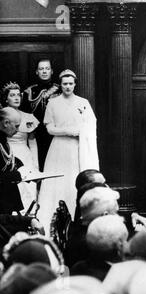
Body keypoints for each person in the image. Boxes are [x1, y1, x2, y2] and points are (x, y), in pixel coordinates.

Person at [37, 69, 99, 233]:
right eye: (65, 84)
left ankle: (75, 218)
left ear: (75, 84)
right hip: (59, 148)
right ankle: (53, 220)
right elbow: (49, 128)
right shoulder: (53, 103)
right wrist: (67, 131)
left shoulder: (83, 102)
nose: (68, 87)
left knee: (73, 179)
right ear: (60, 85)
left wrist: (81, 132)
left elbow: (91, 124)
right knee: (58, 180)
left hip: (77, 149)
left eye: (71, 84)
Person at [2, 82, 39, 214]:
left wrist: (35, 164)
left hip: (25, 154)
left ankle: (29, 217)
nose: (17, 98)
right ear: (6, 98)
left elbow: (32, 141)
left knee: (28, 188)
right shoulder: (2, 118)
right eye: (12, 95)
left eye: (18, 95)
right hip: (6, 154)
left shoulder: (28, 117)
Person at [21, 59, 60, 171]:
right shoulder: (30, 91)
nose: (44, 71)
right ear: (36, 72)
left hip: (54, 131)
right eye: (41, 69)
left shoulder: (59, 89)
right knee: (38, 161)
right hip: (36, 132)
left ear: (51, 71)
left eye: (47, 69)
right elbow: (25, 113)